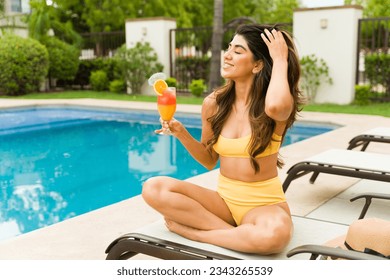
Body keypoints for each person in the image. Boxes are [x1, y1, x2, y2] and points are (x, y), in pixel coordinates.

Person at [142, 23, 304, 255]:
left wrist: (280, 60)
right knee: (153, 188)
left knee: (274, 236)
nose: (227, 55)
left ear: (257, 64)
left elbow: (278, 106)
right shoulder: (214, 104)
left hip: (263, 205)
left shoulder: (272, 108)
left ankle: (198, 234)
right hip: (223, 203)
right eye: (229, 47)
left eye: (238, 51)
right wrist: (181, 133)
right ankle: (235, 234)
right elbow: (209, 160)